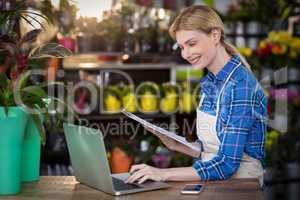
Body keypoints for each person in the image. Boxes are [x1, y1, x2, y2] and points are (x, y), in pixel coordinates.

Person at [125, 5, 267, 184]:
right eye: (182, 47)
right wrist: (178, 145)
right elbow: (214, 150)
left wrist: (162, 174)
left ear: (215, 36)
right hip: (217, 185)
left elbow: (227, 164)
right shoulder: (212, 81)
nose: (186, 54)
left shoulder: (240, 85)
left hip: (242, 187)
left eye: (191, 44)